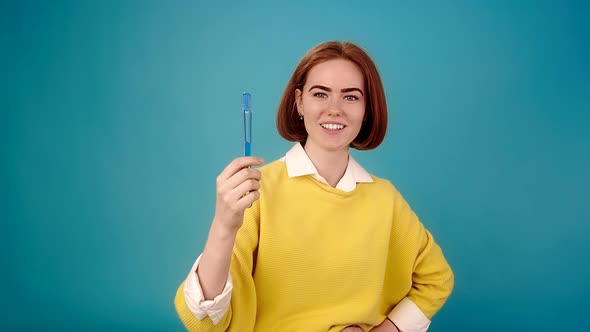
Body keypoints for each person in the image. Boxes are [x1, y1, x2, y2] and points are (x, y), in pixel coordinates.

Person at [174, 41, 454, 332]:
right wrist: (223, 224)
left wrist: (389, 330)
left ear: (367, 109)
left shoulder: (385, 200)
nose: (335, 110)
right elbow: (203, 320)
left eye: (351, 97)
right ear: (299, 102)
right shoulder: (256, 192)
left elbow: (437, 279)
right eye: (321, 94)